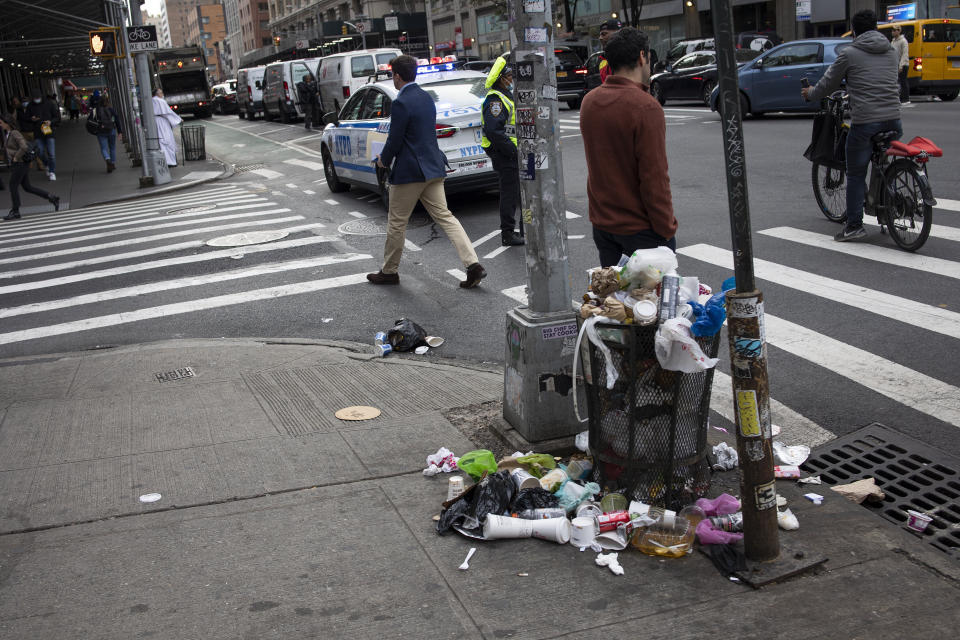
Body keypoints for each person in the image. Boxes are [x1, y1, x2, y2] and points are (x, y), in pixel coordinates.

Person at [369, 55, 487, 288]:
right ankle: (473, 264)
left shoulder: (401, 102)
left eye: (393, 75)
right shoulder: (426, 98)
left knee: (396, 222)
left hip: (410, 172)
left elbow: (395, 139)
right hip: (433, 167)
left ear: (397, 76)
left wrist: (383, 159)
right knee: (446, 217)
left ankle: (390, 271)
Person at [579, 27, 678, 267]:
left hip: (603, 226)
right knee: (648, 303)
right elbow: (654, 177)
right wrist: (666, 228)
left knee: (614, 302)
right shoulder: (645, 107)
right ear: (642, 57)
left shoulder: (590, 102)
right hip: (641, 230)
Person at [803, 10, 901, 242]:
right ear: (876, 28)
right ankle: (885, 205)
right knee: (882, 162)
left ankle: (855, 225)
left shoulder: (850, 53)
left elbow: (828, 83)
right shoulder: (891, 50)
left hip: (866, 120)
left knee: (856, 172)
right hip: (894, 119)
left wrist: (811, 93)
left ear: (854, 30)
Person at [481, 56, 525, 247]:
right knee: (509, 192)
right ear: (501, 78)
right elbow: (493, 131)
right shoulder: (495, 100)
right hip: (505, 153)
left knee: (519, 192)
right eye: (509, 76)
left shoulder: (505, 95)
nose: (512, 79)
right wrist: (513, 151)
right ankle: (508, 233)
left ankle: (524, 229)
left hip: (511, 151)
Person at [1, 113, 60, 220]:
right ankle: (52, 197)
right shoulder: (9, 133)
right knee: (27, 187)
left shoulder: (14, 133)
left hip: (20, 163)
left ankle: (15, 211)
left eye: (1, 123)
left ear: (7, 123)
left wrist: (15, 157)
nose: (0, 125)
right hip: (20, 164)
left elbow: (23, 146)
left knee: (13, 185)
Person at [25, 90, 59, 181]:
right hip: (37, 132)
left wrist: (50, 122)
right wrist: (32, 119)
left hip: (48, 131)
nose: (36, 100)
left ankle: (52, 171)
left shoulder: (49, 104)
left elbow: (56, 116)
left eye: (38, 98)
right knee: (39, 151)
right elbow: (26, 118)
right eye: (35, 98)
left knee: (51, 153)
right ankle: (47, 163)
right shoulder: (30, 106)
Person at [90, 95, 124, 172]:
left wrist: (95, 129)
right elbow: (117, 120)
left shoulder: (96, 110)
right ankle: (112, 163)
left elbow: (90, 121)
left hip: (101, 131)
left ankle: (107, 158)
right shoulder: (111, 109)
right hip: (111, 130)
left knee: (104, 148)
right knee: (112, 147)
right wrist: (120, 132)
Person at [151, 88, 182, 167]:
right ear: (157, 94)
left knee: (161, 141)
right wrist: (178, 119)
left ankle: (167, 161)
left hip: (156, 121)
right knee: (167, 141)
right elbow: (168, 113)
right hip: (162, 123)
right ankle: (170, 161)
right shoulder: (160, 101)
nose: (162, 94)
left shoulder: (152, 100)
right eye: (161, 93)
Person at [597, 18, 622, 84]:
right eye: (600, 35)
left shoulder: (628, 58)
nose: (600, 38)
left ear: (617, 35)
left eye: (604, 34)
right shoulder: (602, 62)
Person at [891, 25, 910, 103]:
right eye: (893, 30)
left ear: (899, 31)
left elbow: (905, 54)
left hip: (903, 64)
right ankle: (900, 98)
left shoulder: (903, 41)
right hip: (896, 64)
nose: (893, 32)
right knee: (897, 82)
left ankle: (906, 99)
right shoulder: (893, 41)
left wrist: (901, 66)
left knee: (903, 81)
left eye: (895, 30)